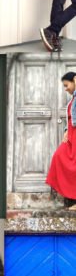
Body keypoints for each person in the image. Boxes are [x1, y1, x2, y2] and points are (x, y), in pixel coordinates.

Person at [46, 72, 76, 209]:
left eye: (66, 85)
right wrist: (66, 130)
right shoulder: (73, 99)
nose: (65, 89)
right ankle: (70, 198)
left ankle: (73, 200)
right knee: (59, 157)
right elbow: (70, 118)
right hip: (71, 135)